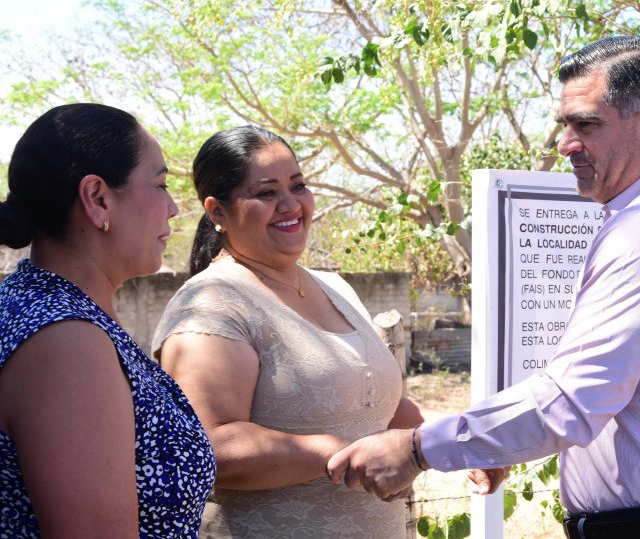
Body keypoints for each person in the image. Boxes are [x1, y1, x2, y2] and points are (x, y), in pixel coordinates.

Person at [328, 35, 640, 539]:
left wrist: (418, 450)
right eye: (565, 125)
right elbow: (613, 403)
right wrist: (494, 439)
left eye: (586, 125)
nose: (566, 144)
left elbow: (570, 403)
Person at [152, 126, 502, 538]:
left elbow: (383, 409)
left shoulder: (335, 288)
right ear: (217, 212)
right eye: (266, 193)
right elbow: (210, 446)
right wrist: (347, 454)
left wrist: (463, 440)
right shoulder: (212, 303)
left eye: (298, 186)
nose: (290, 204)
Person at [0, 103, 216, 538]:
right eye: (160, 185)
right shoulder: (65, 343)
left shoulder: (54, 309)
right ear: (98, 199)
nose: (173, 207)